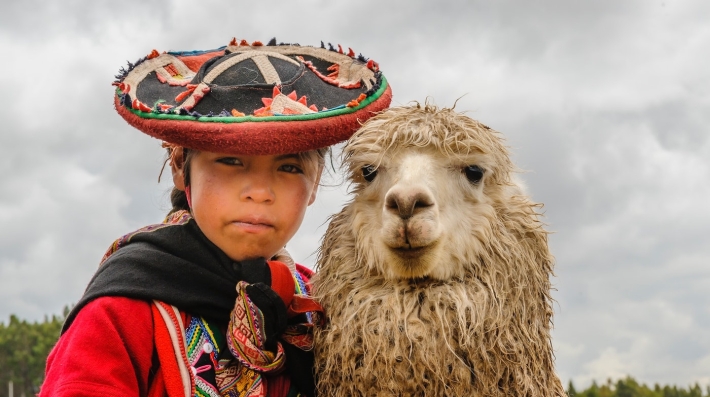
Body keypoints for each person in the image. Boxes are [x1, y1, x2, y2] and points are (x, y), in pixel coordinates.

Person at [40, 38, 392, 397]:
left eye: (289, 167)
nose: (260, 191)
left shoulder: (325, 305)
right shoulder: (120, 313)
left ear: (314, 182)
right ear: (181, 165)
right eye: (231, 161)